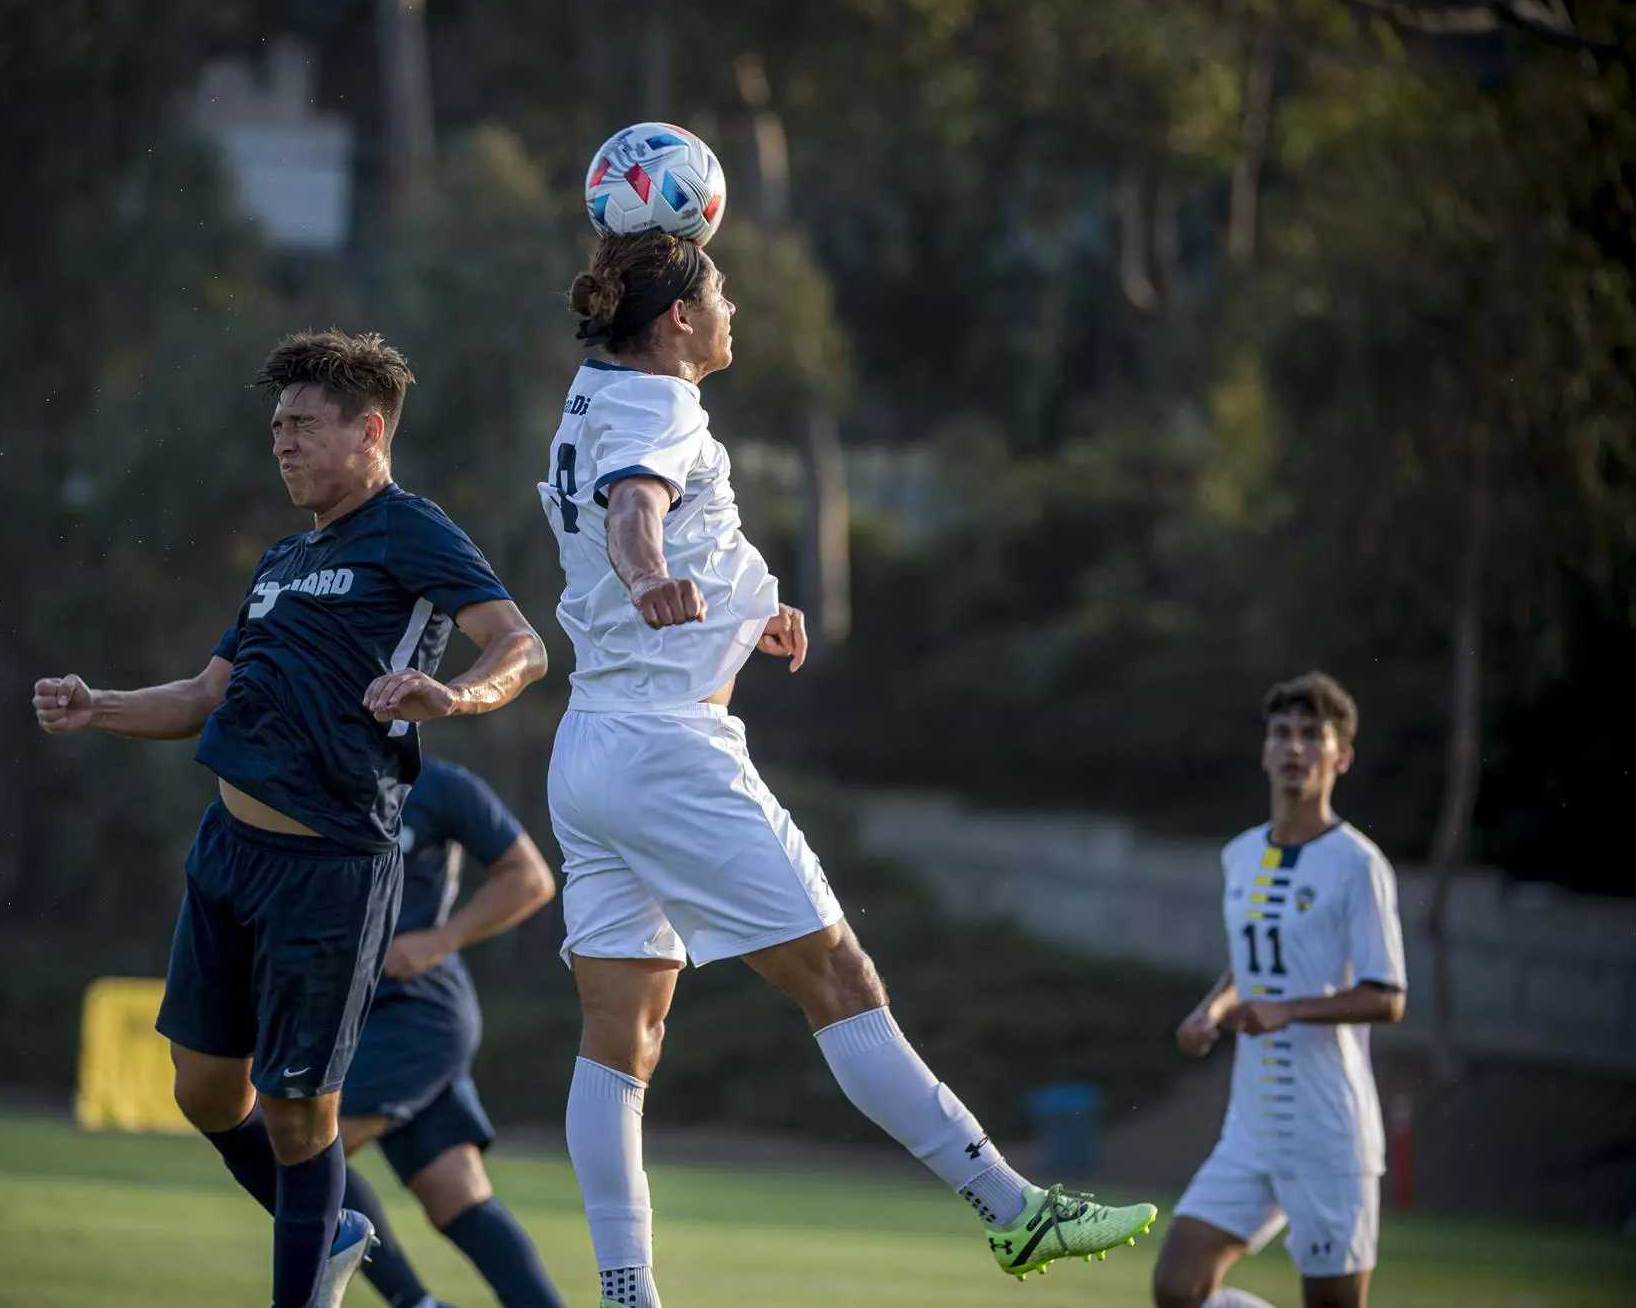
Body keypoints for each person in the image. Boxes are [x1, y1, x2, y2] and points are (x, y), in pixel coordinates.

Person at [537, 230, 1159, 1308]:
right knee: (840, 981)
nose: (732, 305)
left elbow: (654, 525)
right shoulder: (654, 404)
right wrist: (648, 578)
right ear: (678, 317)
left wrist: (742, 607)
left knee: (618, 1037)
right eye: (717, 290)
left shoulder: (588, 398)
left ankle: (625, 1293)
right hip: (664, 747)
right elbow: (634, 515)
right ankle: (1012, 1212)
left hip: (590, 744)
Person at [33, 330, 546, 1308]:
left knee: (298, 1113)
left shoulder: (409, 530)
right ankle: (335, 1226)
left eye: (304, 425)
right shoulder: (278, 559)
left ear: (369, 431)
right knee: (201, 1093)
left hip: (330, 871)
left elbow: (521, 645)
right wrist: (97, 705)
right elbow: (202, 694)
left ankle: (304, 1285)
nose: (282, 443)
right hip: (227, 855)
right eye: (275, 427)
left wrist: (454, 696)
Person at [1151, 673, 1409, 1308]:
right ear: (1264, 750)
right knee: (1177, 1288)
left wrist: (1288, 1010)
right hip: (1252, 1124)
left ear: (1340, 757)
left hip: (1329, 1129)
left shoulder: (1358, 864)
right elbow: (1249, 966)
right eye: (1282, 734)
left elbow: (1388, 996)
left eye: (1311, 736)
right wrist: (1208, 1012)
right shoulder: (1241, 855)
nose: (1294, 749)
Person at [336, 757, 564, 1308]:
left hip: (419, 1015)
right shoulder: (307, 779)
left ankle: (414, 1303)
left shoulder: (439, 786)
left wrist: (438, 941)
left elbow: (530, 878)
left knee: (303, 1153)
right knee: (456, 1193)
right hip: (351, 1018)